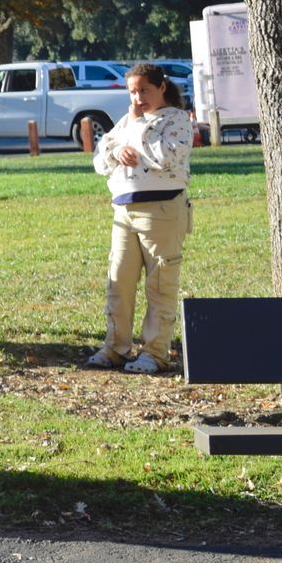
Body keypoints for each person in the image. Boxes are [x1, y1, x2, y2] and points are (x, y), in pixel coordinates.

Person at [84, 62, 194, 374]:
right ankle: (116, 347)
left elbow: (166, 156)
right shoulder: (127, 120)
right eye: (133, 91)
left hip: (161, 210)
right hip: (124, 209)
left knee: (160, 282)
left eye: (144, 90)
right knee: (118, 280)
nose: (138, 97)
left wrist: (137, 131)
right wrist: (116, 152)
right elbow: (101, 159)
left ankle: (155, 352)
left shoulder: (177, 120)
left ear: (161, 87)